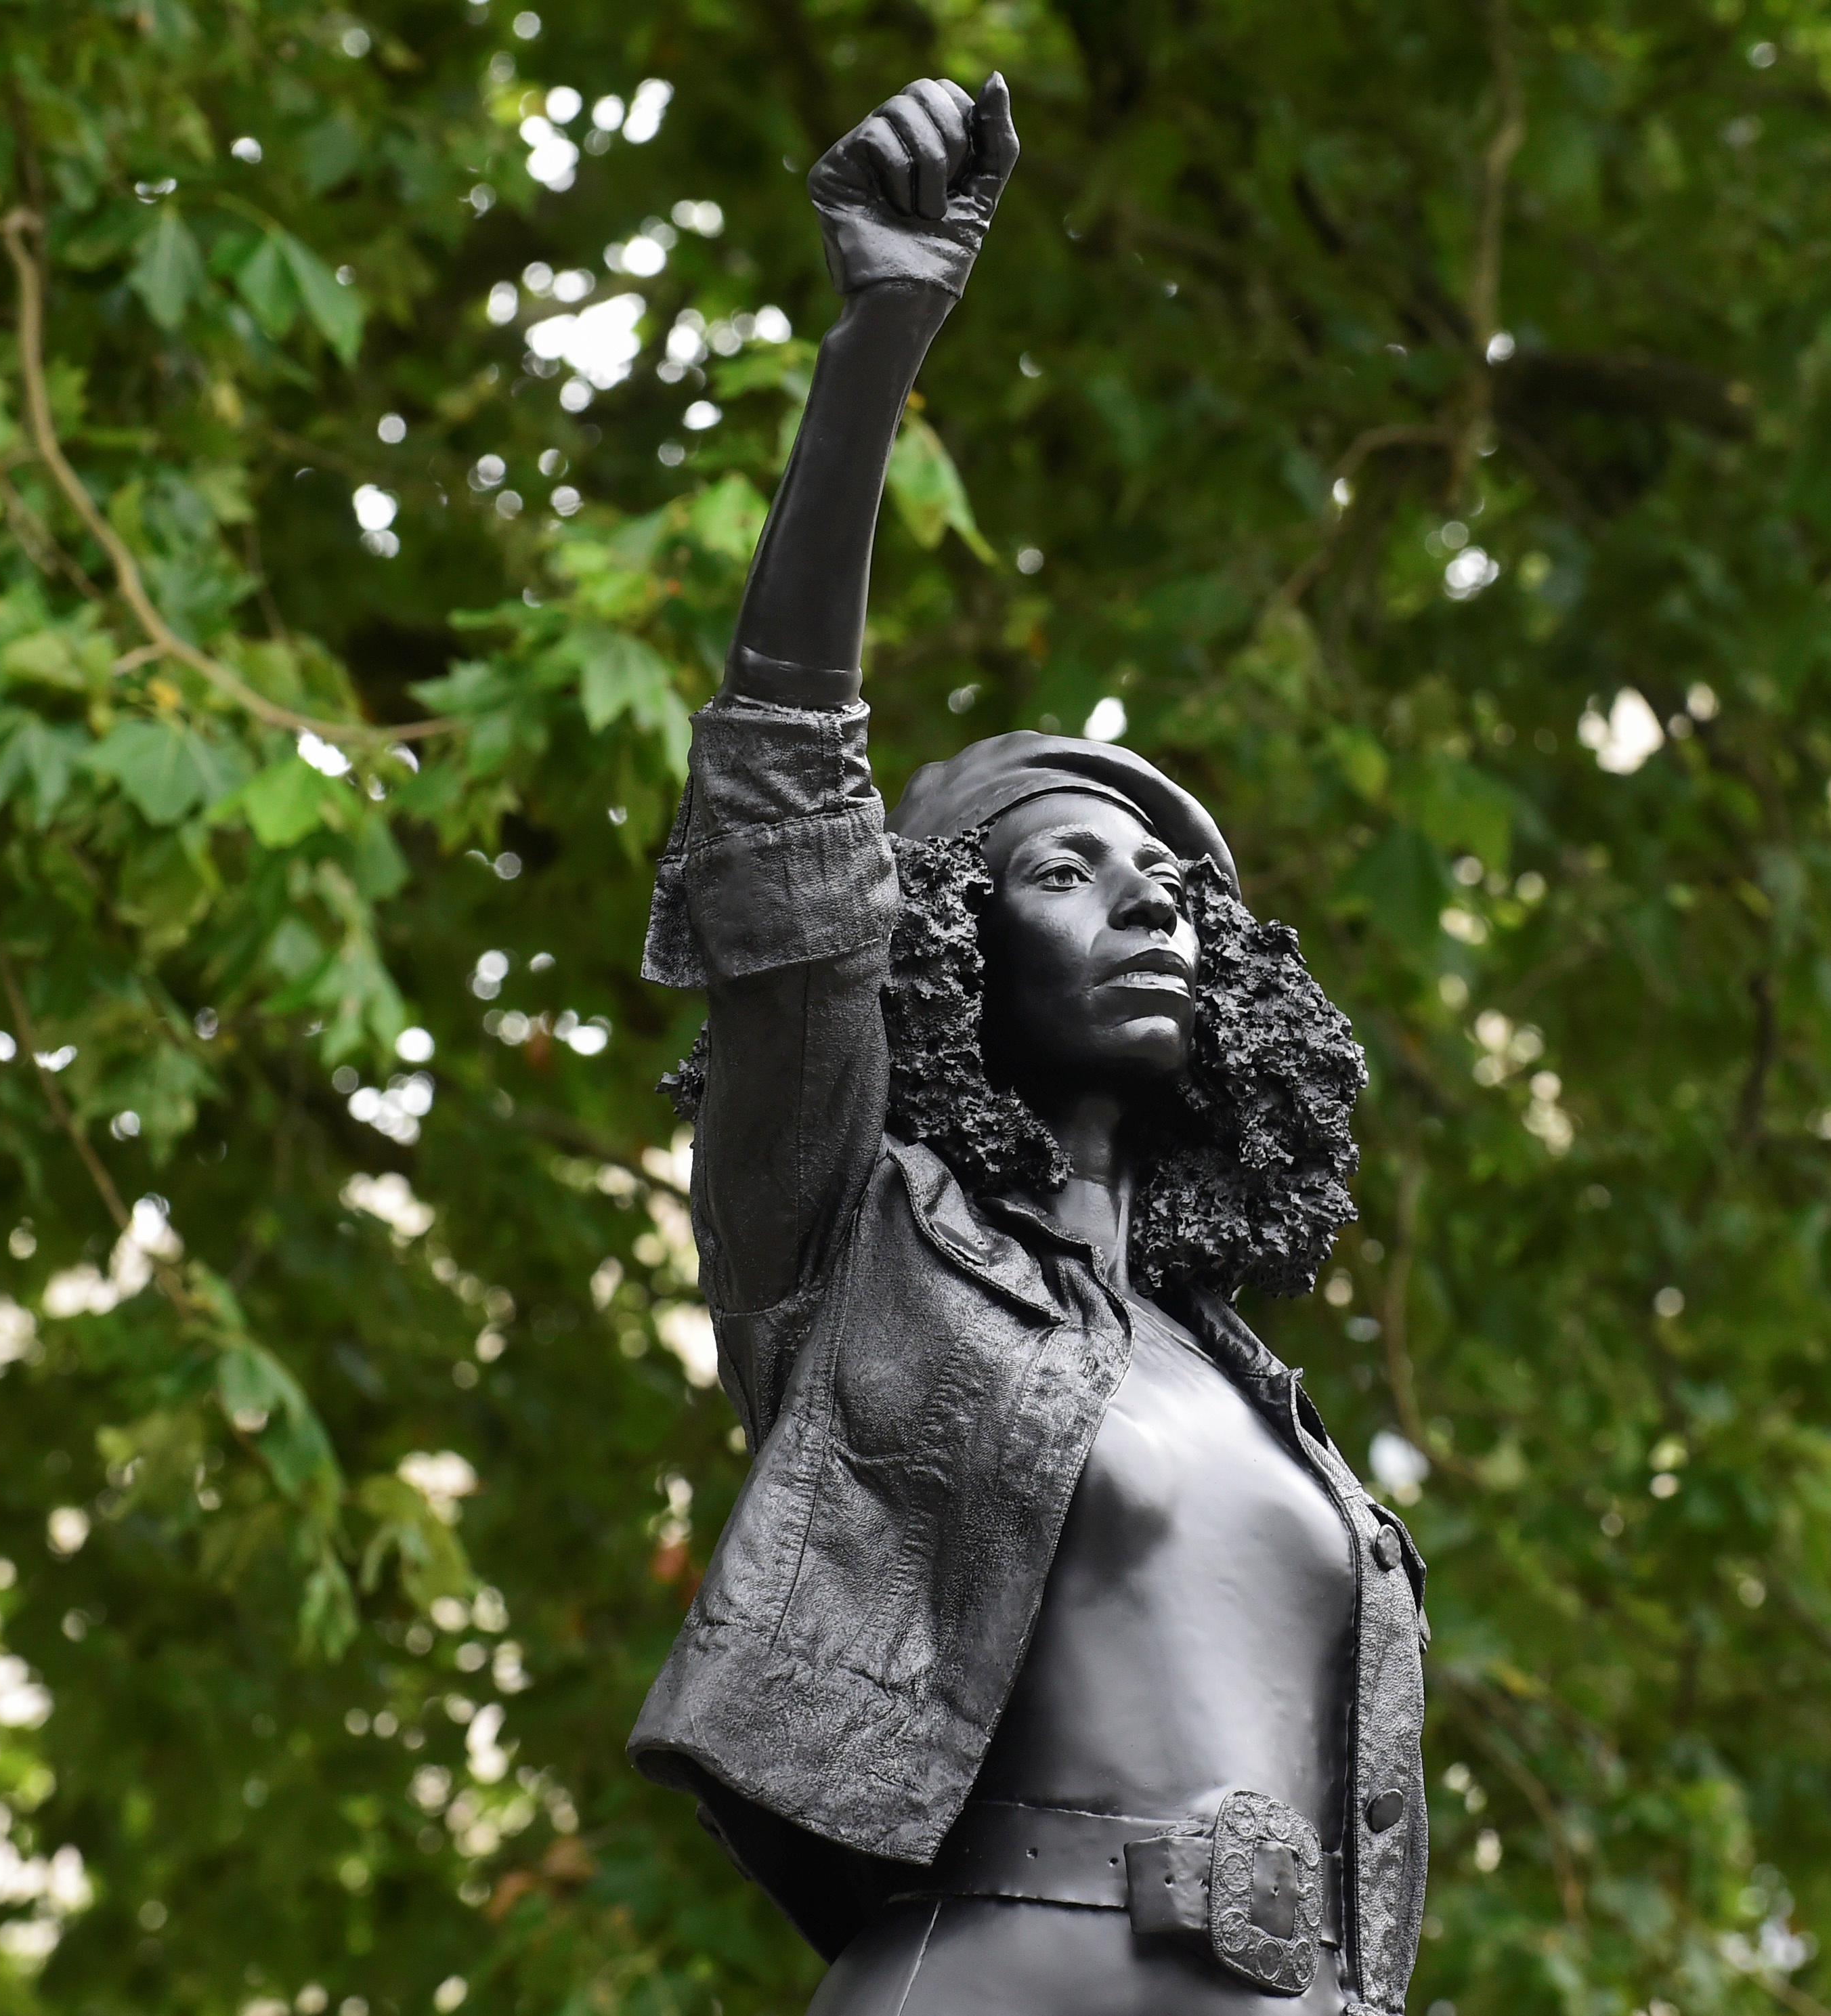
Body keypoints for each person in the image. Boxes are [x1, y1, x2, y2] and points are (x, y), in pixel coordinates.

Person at [629, 73, 1428, 2016]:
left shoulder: (1255, 1390)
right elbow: (786, 828)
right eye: (1072, 871)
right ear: (954, 947)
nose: (1154, 907)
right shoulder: (856, 1240)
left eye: (1177, 889)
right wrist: (876, 347)